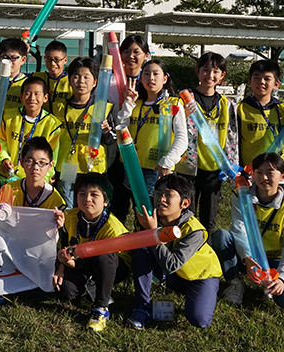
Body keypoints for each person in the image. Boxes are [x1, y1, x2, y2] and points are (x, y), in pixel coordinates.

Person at [128, 174, 223, 329]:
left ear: (184, 203)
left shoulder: (194, 230)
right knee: (142, 248)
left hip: (200, 277)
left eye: (168, 195)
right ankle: (142, 306)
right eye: (158, 194)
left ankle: (205, 294)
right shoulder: (150, 219)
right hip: (172, 274)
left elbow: (172, 264)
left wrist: (152, 233)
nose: (162, 199)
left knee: (199, 319)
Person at [211, 153, 284, 310]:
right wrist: (247, 258)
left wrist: (282, 278)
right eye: (259, 172)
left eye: (270, 172)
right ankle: (235, 282)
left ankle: (274, 281)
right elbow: (238, 230)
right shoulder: (241, 196)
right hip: (247, 256)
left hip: (274, 260)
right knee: (221, 236)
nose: (264, 177)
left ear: (282, 176)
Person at [54, 173, 131, 332]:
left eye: (94, 194)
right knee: (66, 291)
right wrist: (62, 265)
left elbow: (110, 258)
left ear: (106, 201)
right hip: (84, 261)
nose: (87, 199)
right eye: (82, 194)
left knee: (104, 253)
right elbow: (64, 246)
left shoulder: (112, 227)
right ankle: (91, 290)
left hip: (114, 265)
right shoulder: (69, 217)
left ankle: (101, 308)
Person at [176, 52, 238, 232]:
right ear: (197, 71)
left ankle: (206, 254)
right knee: (187, 215)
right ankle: (187, 253)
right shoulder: (184, 100)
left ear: (222, 76)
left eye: (215, 71)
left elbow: (232, 136)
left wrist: (231, 166)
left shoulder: (227, 105)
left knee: (209, 219)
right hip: (188, 167)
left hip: (214, 168)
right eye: (205, 70)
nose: (209, 75)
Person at [115, 59, 188, 199]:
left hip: (157, 168)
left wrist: (167, 162)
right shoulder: (136, 103)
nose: (151, 78)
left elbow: (182, 138)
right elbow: (120, 129)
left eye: (156, 74)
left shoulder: (173, 103)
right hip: (131, 166)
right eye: (146, 74)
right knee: (135, 213)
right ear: (141, 78)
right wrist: (128, 104)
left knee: (153, 211)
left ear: (165, 78)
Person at [51, 58, 112, 209]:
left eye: (86, 77)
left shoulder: (103, 108)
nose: (81, 81)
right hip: (67, 165)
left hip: (93, 166)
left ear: (95, 82)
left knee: (91, 206)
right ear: (70, 80)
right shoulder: (58, 107)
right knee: (67, 206)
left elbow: (111, 140)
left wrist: (106, 131)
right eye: (76, 76)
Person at [107, 34, 152, 222]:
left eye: (136, 52)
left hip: (143, 152)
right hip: (116, 150)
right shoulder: (109, 81)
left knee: (143, 205)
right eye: (126, 51)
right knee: (118, 202)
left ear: (146, 56)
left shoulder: (151, 81)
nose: (130, 56)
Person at [0, 76, 62, 184]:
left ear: (45, 98)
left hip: (33, 181)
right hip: (3, 177)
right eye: (28, 93)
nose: (32, 98)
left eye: (37, 94)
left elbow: (52, 156)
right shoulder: (7, 116)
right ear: (21, 96)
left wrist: (43, 180)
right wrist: (3, 159)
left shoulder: (52, 125)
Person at [6, 138, 66, 210]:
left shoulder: (56, 200)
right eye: (30, 161)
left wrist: (61, 221)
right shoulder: (9, 190)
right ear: (21, 162)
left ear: (50, 165)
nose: (35, 167)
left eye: (42, 163)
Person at [31, 40, 71, 113]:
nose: (52, 63)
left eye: (57, 59)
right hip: (42, 123)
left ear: (65, 60)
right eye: (49, 59)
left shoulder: (72, 81)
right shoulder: (37, 78)